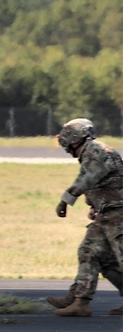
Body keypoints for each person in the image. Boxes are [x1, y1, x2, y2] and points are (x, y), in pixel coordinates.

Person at [46, 118, 123, 317]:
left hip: (119, 215)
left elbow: (87, 179)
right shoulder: (92, 152)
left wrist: (66, 200)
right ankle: (79, 300)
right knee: (89, 252)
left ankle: (78, 299)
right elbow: (101, 182)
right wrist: (95, 205)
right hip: (107, 213)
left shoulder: (96, 150)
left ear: (75, 138)